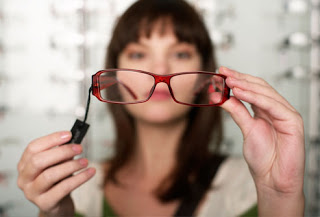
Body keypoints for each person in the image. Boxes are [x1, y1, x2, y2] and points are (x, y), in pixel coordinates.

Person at [17, 0, 305, 216]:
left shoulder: (252, 187)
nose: (160, 70)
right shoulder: (76, 188)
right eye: (139, 53)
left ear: (204, 75)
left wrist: (280, 197)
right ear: (114, 75)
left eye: (180, 53)